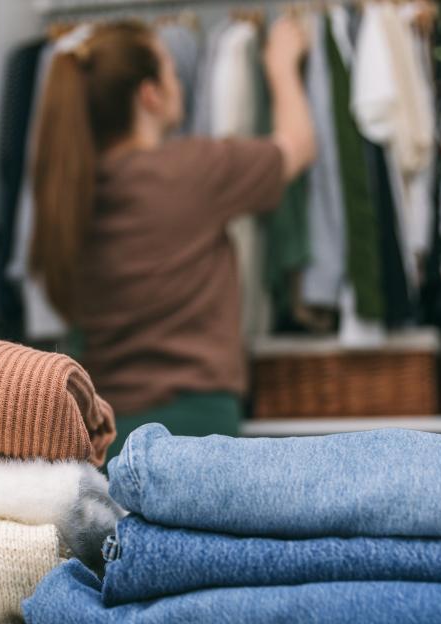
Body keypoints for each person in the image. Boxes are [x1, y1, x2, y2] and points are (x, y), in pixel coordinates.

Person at [30, 17, 316, 461]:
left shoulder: (70, 196)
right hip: (197, 431)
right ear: (150, 95)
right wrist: (281, 64)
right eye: (170, 69)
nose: (180, 81)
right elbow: (297, 145)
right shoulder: (193, 170)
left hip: (102, 436)